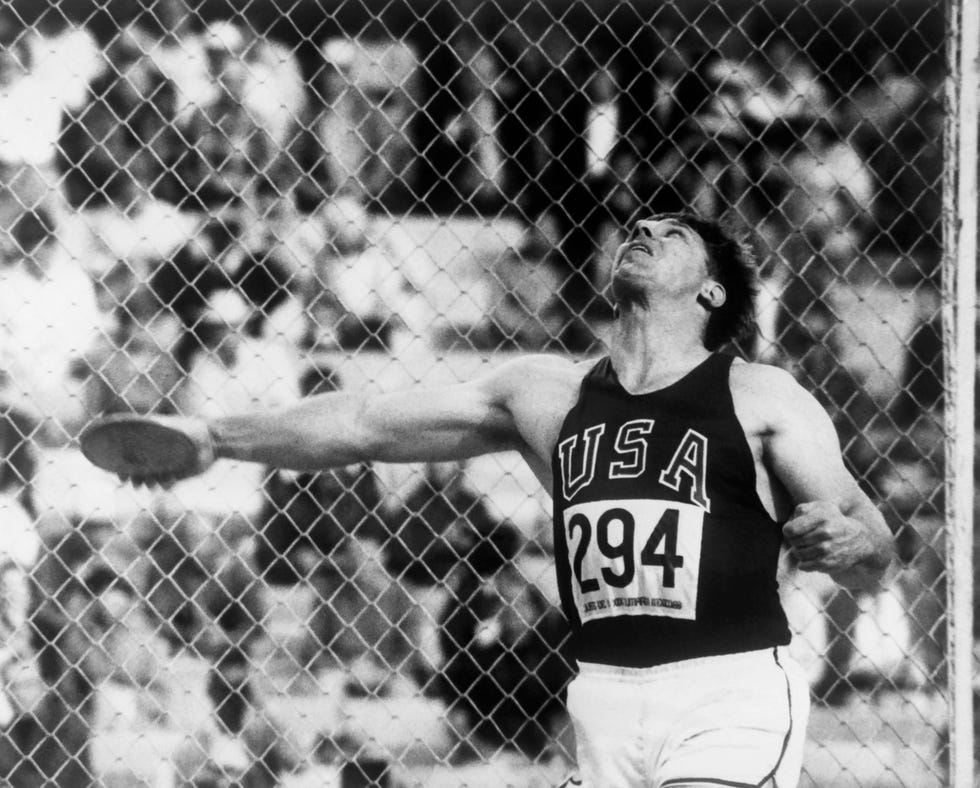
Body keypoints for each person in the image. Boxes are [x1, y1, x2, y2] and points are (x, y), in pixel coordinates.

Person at [94, 212, 894, 788]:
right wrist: (215, 437)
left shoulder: (761, 394)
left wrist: (852, 547)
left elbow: (872, 546)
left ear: (713, 295)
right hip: (603, 700)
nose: (642, 230)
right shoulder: (542, 393)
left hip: (727, 685)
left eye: (672, 233)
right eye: (638, 226)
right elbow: (366, 423)